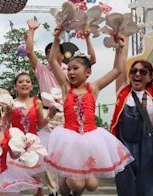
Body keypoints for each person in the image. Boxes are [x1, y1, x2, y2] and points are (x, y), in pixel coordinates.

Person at [45, 25, 133, 196]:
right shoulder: (65, 87)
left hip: (91, 137)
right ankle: (63, 186)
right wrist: (57, 38)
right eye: (69, 69)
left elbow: (117, 70)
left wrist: (119, 49)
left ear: (88, 72)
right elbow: (52, 62)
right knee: (76, 185)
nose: (70, 72)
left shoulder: (93, 88)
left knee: (91, 185)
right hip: (69, 137)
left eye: (75, 68)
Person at [26, 19, 97, 195]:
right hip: (49, 114)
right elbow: (29, 51)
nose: (52, 54)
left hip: (69, 115)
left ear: (62, 54)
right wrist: (31, 31)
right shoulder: (41, 69)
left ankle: (70, 184)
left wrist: (88, 39)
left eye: (55, 51)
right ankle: (52, 191)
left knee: (71, 153)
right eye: (48, 52)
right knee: (50, 153)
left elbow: (91, 61)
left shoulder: (69, 71)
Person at [111, 24, 153, 196]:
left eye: (143, 71)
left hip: (149, 150)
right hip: (123, 150)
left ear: (150, 77)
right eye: (134, 71)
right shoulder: (122, 92)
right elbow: (119, 67)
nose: (137, 74)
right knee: (126, 192)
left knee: (149, 192)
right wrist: (122, 44)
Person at [8, 72, 48, 196]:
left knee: (37, 183)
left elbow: (41, 124)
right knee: (15, 183)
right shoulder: (11, 103)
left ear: (31, 86)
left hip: (33, 144)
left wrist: (50, 116)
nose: (24, 84)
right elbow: (6, 124)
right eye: (20, 82)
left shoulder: (37, 102)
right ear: (15, 86)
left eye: (27, 81)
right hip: (15, 146)